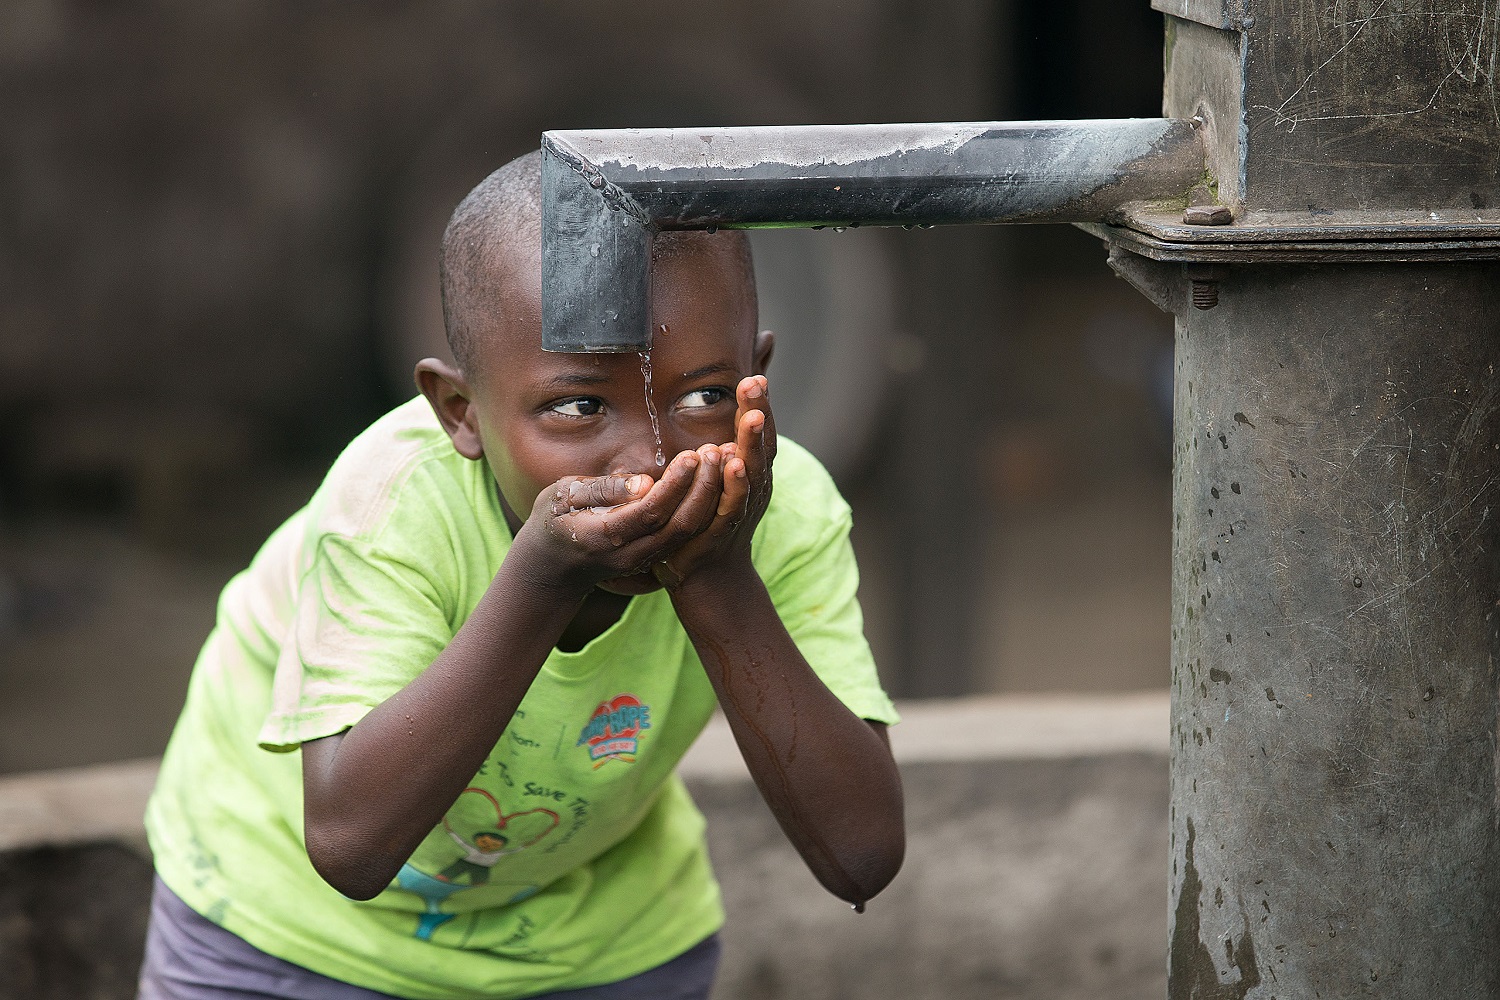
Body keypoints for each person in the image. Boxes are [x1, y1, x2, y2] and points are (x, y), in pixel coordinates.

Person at [139, 150, 905, 1000]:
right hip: (287, 938)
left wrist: (717, 579)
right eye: (578, 406)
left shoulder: (780, 507)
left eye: (706, 397)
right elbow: (352, 845)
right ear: (460, 413)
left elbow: (860, 856)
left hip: (595, 947)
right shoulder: (395, 503)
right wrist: (544, 576)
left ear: (759, 372)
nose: (651, 463)